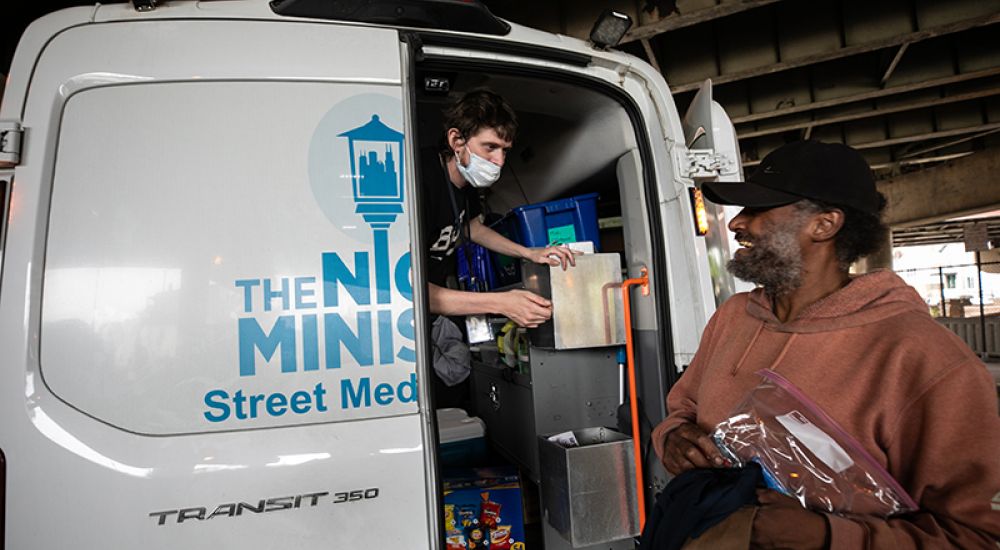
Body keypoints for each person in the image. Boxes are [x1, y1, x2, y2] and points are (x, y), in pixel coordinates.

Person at [650, 140, 1000, 548]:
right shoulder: (733, 316)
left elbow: (971, 537)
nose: (736, 223)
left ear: (825, 224)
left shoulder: (923, 356)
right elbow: (683, 409)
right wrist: (672, 438)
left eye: (758, 209)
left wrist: (827, 535)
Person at [421, 89, 578, 407]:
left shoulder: (466, 187)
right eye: (489, 147)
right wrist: (502, 303)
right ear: (457, 140)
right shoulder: (421, 177)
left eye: (505, 150)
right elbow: (413, 293)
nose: (499, 161)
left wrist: (529, 253)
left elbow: (471, 228)